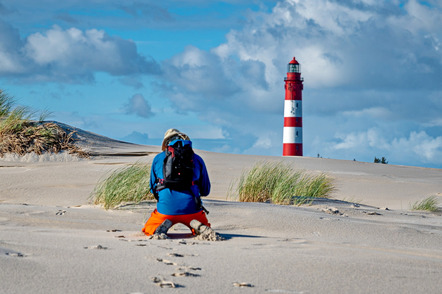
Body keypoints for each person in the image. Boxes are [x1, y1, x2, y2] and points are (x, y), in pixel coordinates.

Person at [142, 128, 212, 238]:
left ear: (166, 144)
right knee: (204, 225)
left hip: (166, 209)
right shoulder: (197, 159)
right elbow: (205, 190)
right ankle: (197, 225)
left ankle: (159, 227)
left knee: (148, 229)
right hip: (192, 209)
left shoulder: (158, 159)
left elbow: (152, 188)